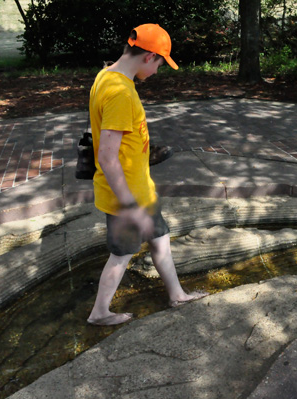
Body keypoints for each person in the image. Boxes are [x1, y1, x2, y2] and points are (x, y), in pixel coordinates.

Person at [87, 23, 208, 326]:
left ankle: (177, 294)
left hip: (141, 190)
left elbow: (116, 139)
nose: (158, 71)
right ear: (148, 56)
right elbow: (107, 156)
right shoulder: (120, 93)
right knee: (122, 254)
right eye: (160, 64)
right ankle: (99, 313)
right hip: (126, 196)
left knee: (160, 238)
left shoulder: (107, 76)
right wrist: (129, 206)